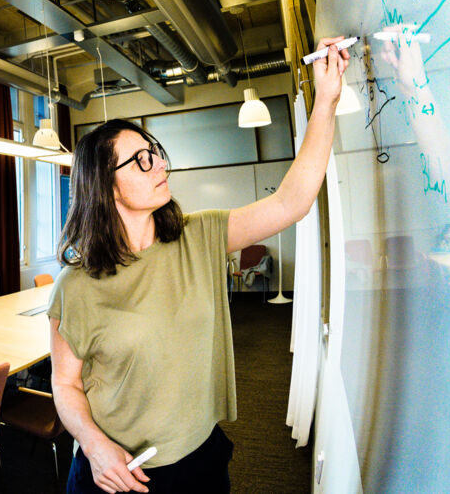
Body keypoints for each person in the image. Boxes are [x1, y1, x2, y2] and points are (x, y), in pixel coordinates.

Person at [48, 37, 351, 493]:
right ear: (104, 186)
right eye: (140, 160)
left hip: (200, 459)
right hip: (118, 472)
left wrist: (325, 101)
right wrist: (92, 445)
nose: (159, 166)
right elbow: (65, 385)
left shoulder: (199, 236)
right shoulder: (76, 286)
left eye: (156, 153)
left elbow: (292, 202)